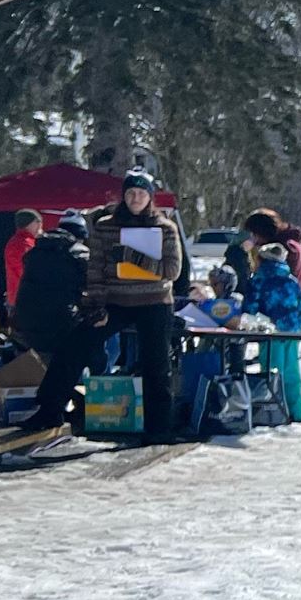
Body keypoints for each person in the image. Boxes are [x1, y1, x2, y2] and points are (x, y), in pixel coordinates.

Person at [80, 170, 188, 443]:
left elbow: (172, 271)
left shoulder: (165, 227)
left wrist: (131, 255)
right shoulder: (105, 226)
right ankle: (50, 409)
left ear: (150, 197)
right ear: (123, 196)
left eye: (141, 193)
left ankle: (159, 428)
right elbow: (95, 269)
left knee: (156, 365)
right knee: (76, 345)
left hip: (154, 302)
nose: (135, 198)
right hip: (115, 301)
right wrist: (94, 305)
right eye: (130, 193)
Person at [13, 211, 95, 432]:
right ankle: (65, 407)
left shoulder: (36, 251)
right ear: (80, 235)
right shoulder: (79, 253)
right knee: (80, 355)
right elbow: (92, 284)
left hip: (27, 319)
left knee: (58, 362)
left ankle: (52, 408)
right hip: (60, 319)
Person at [244, 241, 301, 423]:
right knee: (292, 373)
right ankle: (297, 412)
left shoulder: (258, 280)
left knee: (272, 373)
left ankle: (276, 413)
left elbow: (250, 308)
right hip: (292, 332)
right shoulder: (291, 279)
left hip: (270, 333)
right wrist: (296, 324)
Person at [1, 209, 43, 315]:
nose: (40, 226)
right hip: (24, 298)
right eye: (38, 222)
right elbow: (27, 271)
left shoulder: (25, 242)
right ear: (28, 223)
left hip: (23, 297)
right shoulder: (22, 244)